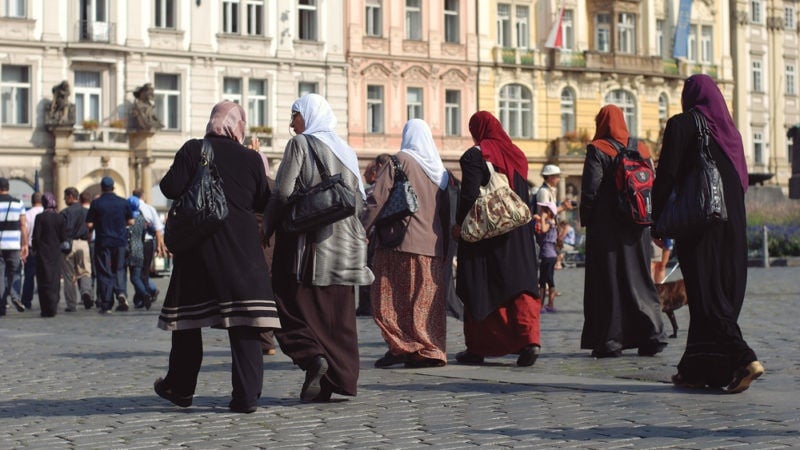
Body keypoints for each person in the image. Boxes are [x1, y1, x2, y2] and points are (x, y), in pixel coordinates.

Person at [155, 101, 279, 413]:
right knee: (246, 322)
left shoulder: (193, 149)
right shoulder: (251, 158)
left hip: (198, 249)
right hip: (241, 250)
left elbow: (169, 188)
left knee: (187, 322)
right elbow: (263, 201)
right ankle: (246, 397)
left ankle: (180, 387)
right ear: (238, 126)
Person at [653, 74, 764, 393]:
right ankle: (697, 368)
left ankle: (744, 358)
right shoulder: (731, 133)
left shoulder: (682, 125)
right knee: (717, 295)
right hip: (733, 227)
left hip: (701, 224)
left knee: (706, 295)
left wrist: (657, 220)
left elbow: (667, 175)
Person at [264, 93, 373, 402]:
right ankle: (335, 380)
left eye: (295, 115)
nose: (291, 123)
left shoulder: (300, 144)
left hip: (310, 246)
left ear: (309, 115)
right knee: (336, 317)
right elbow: (359, 201)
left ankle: (312, 357)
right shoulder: (346, 150)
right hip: (346, 247)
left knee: (284, 304)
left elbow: (282, 192)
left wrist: (267, 226)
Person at [451, 111, 542, 367]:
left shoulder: (474, 156)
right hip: (518, 234)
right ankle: (529, 340)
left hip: (487, 233)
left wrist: (459, 225)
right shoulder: (517, 155)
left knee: (482, 285)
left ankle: (479, 347)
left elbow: (468, 195)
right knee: (520, 286)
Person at [579, 104, 667, 358]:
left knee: (609, 281)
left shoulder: (598, 148)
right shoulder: (642, 148)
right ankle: (652, 335)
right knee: (640, 278)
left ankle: (610, 340)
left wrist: (587, 218)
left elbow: (590, 189)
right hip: (638, 225)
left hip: (607, 227)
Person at [362, 119, 450, 369]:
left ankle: (401, 346)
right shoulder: (440, 170)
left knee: (388, 298)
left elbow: (377, 199)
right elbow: (446, 212)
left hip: (398, 242)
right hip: (432, 246)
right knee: (425, 302)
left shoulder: (398, 160)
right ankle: (429, 349)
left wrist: (362, 228)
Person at [86, 177, 133, 314]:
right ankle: (121, 292)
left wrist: (98, 224)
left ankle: (106, 303)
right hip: (120, 241)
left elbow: (89, 224)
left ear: (102, 188)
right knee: (119, 268)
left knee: (104, 271)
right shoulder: (123, 202)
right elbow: (131, 221)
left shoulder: (96, 203)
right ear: (113, 187)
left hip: (103, 241)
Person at [357, 153, 392, 317]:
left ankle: (367, 306)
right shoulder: (397, 185)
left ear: (378, 168)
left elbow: (370, 209)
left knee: (369, 269)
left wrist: (362, 231)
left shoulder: (375, 189)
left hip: (373, 236)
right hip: (391, 236)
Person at [31, 193, 66, 317]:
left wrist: (34, 249)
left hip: (42, 253)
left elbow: (36, 236)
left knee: (43, 279)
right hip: (55, 253)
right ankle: (53, 306)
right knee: (55, 279)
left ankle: (45, 308)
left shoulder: (40, 217)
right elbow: (63, 237)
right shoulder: (60, 217)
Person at [131, 189, 165, 308]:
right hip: (148, 243)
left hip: (134, 244)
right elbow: (158, 229)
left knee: (135, 273)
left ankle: (142, 296)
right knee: (144, 273)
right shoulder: (149, 209)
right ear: (143, 196)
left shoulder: (129, 208)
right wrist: (160, 246)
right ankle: (144, 295)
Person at [61, 187, 94, 310]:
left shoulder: (64, 213)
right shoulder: (86, 212)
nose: (64, 199)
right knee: (85, 272)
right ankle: (86, 292)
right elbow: (91, 227)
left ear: (70, 197)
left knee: (69, 276)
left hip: (68, 245)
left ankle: (71, 304)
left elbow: (61, 230)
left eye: (65, 197)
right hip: (83, 243)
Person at [0, 177, 28, 316]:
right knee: (15, 271)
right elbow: (23, 225)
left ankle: (1, 306)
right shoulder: (18, 203)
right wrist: (25, 244)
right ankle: (15, 296)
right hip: (13, 244)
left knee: (0, 274)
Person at [126, 196, 152, 310]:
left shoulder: (128, 218)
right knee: (138, 275)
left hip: (131, 249)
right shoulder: (142, 218)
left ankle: (145, 294)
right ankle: (141, 298)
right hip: (140, 248)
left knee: (134, 278)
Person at [533, 201, 558, 313]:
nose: (542, 212)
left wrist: (542, 219)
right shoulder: (553, 222)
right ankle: (550, 304)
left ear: (549, 212)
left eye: (544, 210)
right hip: (550, 255)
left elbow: (543, 229)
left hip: (547, 255)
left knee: (543, 281)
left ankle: (541, 305)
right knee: (549, 280)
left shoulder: (549, 222)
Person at [21, 192, 43, 309]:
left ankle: (26, 300)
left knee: (29, 276)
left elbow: (25, 231)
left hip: (31, 247)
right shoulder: (47, 213)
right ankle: (45, 299)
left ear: (32, 201)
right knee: (44, 275)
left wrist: (24, 245)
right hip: (44, 249)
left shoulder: (27, 214)